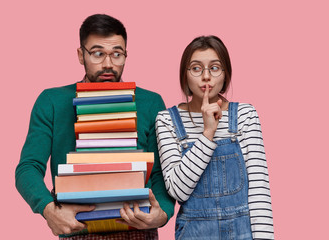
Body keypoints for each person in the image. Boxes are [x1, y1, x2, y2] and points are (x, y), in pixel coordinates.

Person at [15, 14, 175, 239]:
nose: (108, 64)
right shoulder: (51, 101)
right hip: (77, 230)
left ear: (126, 55)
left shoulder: (151, 102)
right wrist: (48, 208)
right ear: (81, 55)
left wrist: (163, 214)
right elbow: (28, 167)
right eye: (98, 53)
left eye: (117, 54)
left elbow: (161, 173)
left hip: (138, 230)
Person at [155, 35, 274, 239]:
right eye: (196, 68)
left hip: (242, 232)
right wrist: (208, 133)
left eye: (215, 68)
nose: (206, 76)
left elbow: (259, 191)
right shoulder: (166, 120)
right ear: (185, 75)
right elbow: (178, 191)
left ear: (225, 74)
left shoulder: (245, 115)